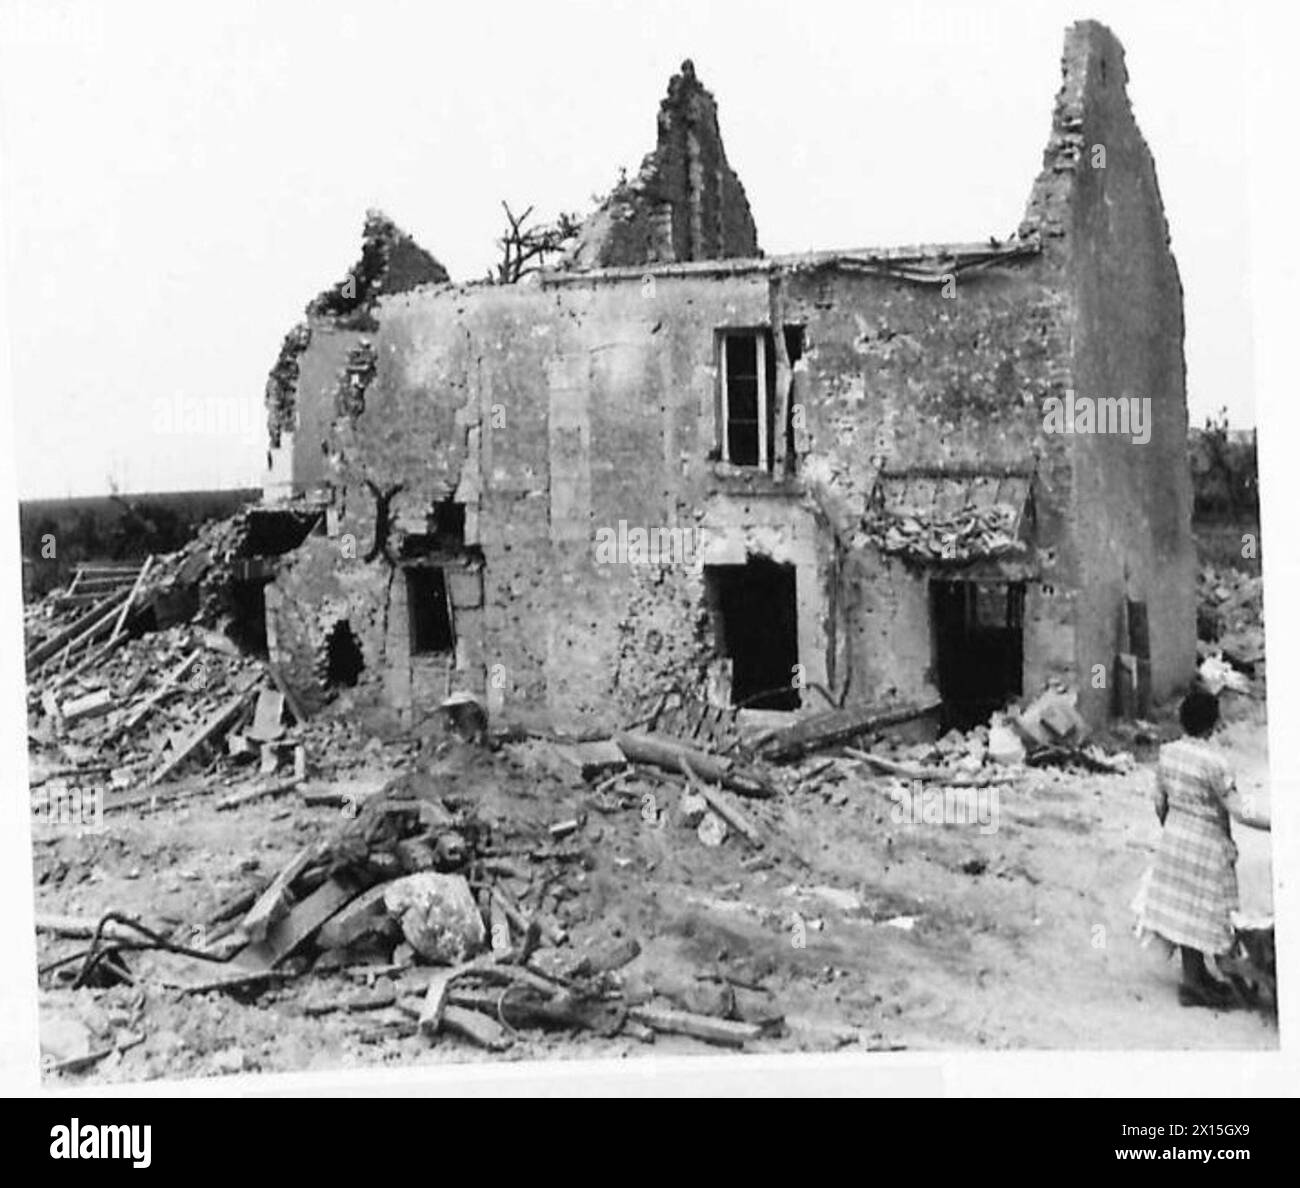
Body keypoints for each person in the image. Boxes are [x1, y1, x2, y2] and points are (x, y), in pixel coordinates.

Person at [1137, 688, 1270, 1007]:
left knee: (1184, 911)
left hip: (1175, 837)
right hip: (1207, 844)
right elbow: (1238, 809)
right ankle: (1199, 984)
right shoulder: (1216, 762)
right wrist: (1275, 822)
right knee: (1210, 913)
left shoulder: (1168, 753)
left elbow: (1160, 802)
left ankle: (1194, 978)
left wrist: (1172, 831)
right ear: (1214, 724)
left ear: (1182, 720)